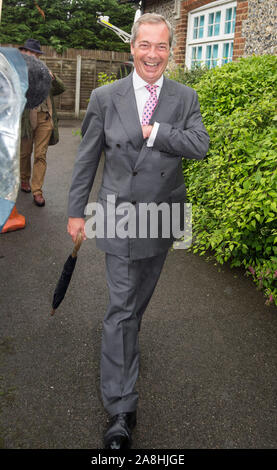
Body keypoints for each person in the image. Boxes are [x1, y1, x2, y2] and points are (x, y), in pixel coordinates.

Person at [67, 13, 209, 449]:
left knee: (136, 304)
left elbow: (200, 145)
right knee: (122, 309)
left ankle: (124, 346)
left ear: (171, 50)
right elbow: (88, 158)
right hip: (117, 215)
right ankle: (120, 408)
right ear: (132, 49)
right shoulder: (105, 97)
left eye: (161, 46)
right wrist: (76, 211)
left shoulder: (185, 98)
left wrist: (157, 131)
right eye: (144, 45)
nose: (152, 54)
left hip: (163, 218)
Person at [19, 39, 65, 207]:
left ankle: (37, 190)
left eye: (35, 53)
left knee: (40, 155)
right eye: (29, 52)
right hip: (26, 120)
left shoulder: (44, 70)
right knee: (24, 154)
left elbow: (61, 88)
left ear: (38, 55)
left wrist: (53, 78)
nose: (32, 56)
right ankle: (24, 179)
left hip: (45, 118)